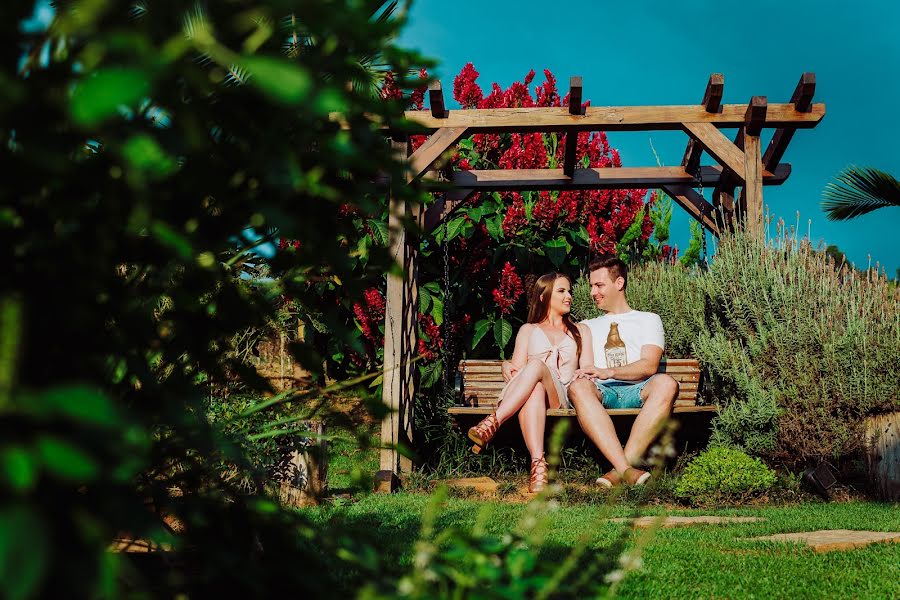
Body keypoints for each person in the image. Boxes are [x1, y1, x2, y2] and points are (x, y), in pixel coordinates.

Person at [467, 272, 594, 493]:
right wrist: (505, 364)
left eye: (569, 291)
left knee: (535, 366)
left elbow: (588, 369)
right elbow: (516, 371)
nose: (569, 296)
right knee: (534, 387)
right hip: (531, 397)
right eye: (562, 291)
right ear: (544, 296)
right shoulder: (528, 330)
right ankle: (539, 467)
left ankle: (493, 422)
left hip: (559, 396)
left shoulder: (581, 331)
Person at [568, 256, 679, 487]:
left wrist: (609, 371)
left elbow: (649, 365)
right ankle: (627, 470)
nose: (592, 292)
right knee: (578, 387)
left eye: (599, 285)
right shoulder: (586, 325)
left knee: (667, 383)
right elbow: (580, 363)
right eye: (591, 286)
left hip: (639, 389)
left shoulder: (648, 320)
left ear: (619, 283)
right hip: (602, 391)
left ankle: (618, 471)